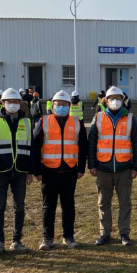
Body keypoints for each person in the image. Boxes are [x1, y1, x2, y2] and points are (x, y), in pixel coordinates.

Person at [87, 86, 137, 246]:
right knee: (103, 203)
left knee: (125, 203)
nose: (115, 101)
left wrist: (135, 167)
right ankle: (105, 234)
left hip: (124, 168)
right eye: (112, 98)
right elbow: (91, 143)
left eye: (118, 98)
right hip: (102, 168)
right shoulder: (98, 117)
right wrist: (91, 164)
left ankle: (124, 234)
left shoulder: (131, 119)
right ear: (106, 101)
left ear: (123, 100)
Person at [34, 90, 88, 250]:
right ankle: (47, 238)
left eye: (65, 104)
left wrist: (81, 168)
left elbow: (83, 147)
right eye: (58, 104)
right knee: (48, 207)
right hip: (49, 171)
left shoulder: (77, 122)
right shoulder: (43, 121)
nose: (61, 107)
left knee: (68, 206)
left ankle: (68, 237)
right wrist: (37, 170)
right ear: (53, 105)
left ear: (69, 106)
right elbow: (35, 147)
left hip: (69, 171)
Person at [0, 88, 34, 256]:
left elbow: (32, 149)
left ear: (20, 103)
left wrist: (30, 171)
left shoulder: (27, 123)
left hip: (20, 172)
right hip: (0, 172)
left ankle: (16, 241)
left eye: (15, 102)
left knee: (19, 207)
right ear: (3, 103)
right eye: (9, 102)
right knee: (0, 207)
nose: (12, 104)